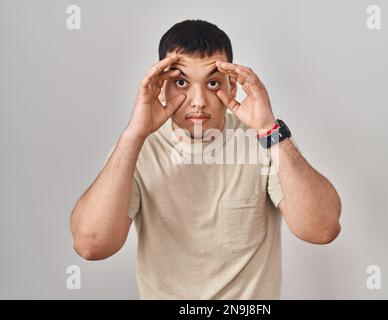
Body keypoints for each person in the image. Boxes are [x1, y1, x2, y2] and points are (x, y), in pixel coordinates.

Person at [70, 19, 342, 299]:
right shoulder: (137, 149)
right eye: (181, 82)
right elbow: (91, 245)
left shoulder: (266, 140)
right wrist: (134, 134)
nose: (198, 100)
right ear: (160, 86)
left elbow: (322, 229)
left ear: (232, 85)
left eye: (212, 83)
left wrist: (269, 128)